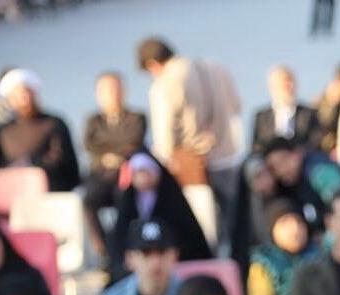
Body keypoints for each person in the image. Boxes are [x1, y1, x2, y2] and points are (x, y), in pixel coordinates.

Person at [136, 37, 243, 214]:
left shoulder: (164, 83)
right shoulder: (216, 68)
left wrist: (163, 161)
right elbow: (237, 106)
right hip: (226, 155)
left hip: (193, 165)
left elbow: (164, 135)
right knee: (232, 217)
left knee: (203, 220)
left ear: (152, 64)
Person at [109, 152, 213, 275]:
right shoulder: (129, 202)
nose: (143, 178)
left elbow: (188, 234)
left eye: (145, 172)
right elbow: (121, 237)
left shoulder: (172, 199)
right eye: (138, 173)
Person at [82, 72, 147, 262]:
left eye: (115, 89)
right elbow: (90, 145)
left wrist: (110, 152)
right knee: (88, 201)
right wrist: (113, 152)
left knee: (126, 199)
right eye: (105, 90)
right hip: (100, 176)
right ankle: (104, 251)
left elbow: (134, 141)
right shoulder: (93, 121)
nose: (111, 94)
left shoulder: (136, 118)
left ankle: (123, 247)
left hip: (126, 175)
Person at [246, 200, 321, 295]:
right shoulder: (264, 262)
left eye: (299, 222)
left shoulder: (320, 255)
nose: (295, 229)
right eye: (285, 223)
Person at [261, 136, 340, 239]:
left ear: (297, 153)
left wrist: (329, 240)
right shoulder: (292, 184)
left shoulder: (317, 171)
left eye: (284, 160)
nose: (281, 170)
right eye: (274, 168)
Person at [0, 69, 81, 193]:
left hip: (51, 189)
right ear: (10, 100)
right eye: (17, 95)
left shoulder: (54, 124)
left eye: (27, 92)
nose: (24, 98)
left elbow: (61, 161)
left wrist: (31, 164)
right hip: (11, 191)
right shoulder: (3, 131)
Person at [250, 65, 322, 155]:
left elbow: (315, 143)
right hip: (270, 159)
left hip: (301, 159)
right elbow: (256, 147)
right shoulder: (261, 117)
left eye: (291, 82)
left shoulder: (309, 114)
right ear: (272, 87)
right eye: (284, 84)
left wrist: (296, 155)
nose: (289, 87)